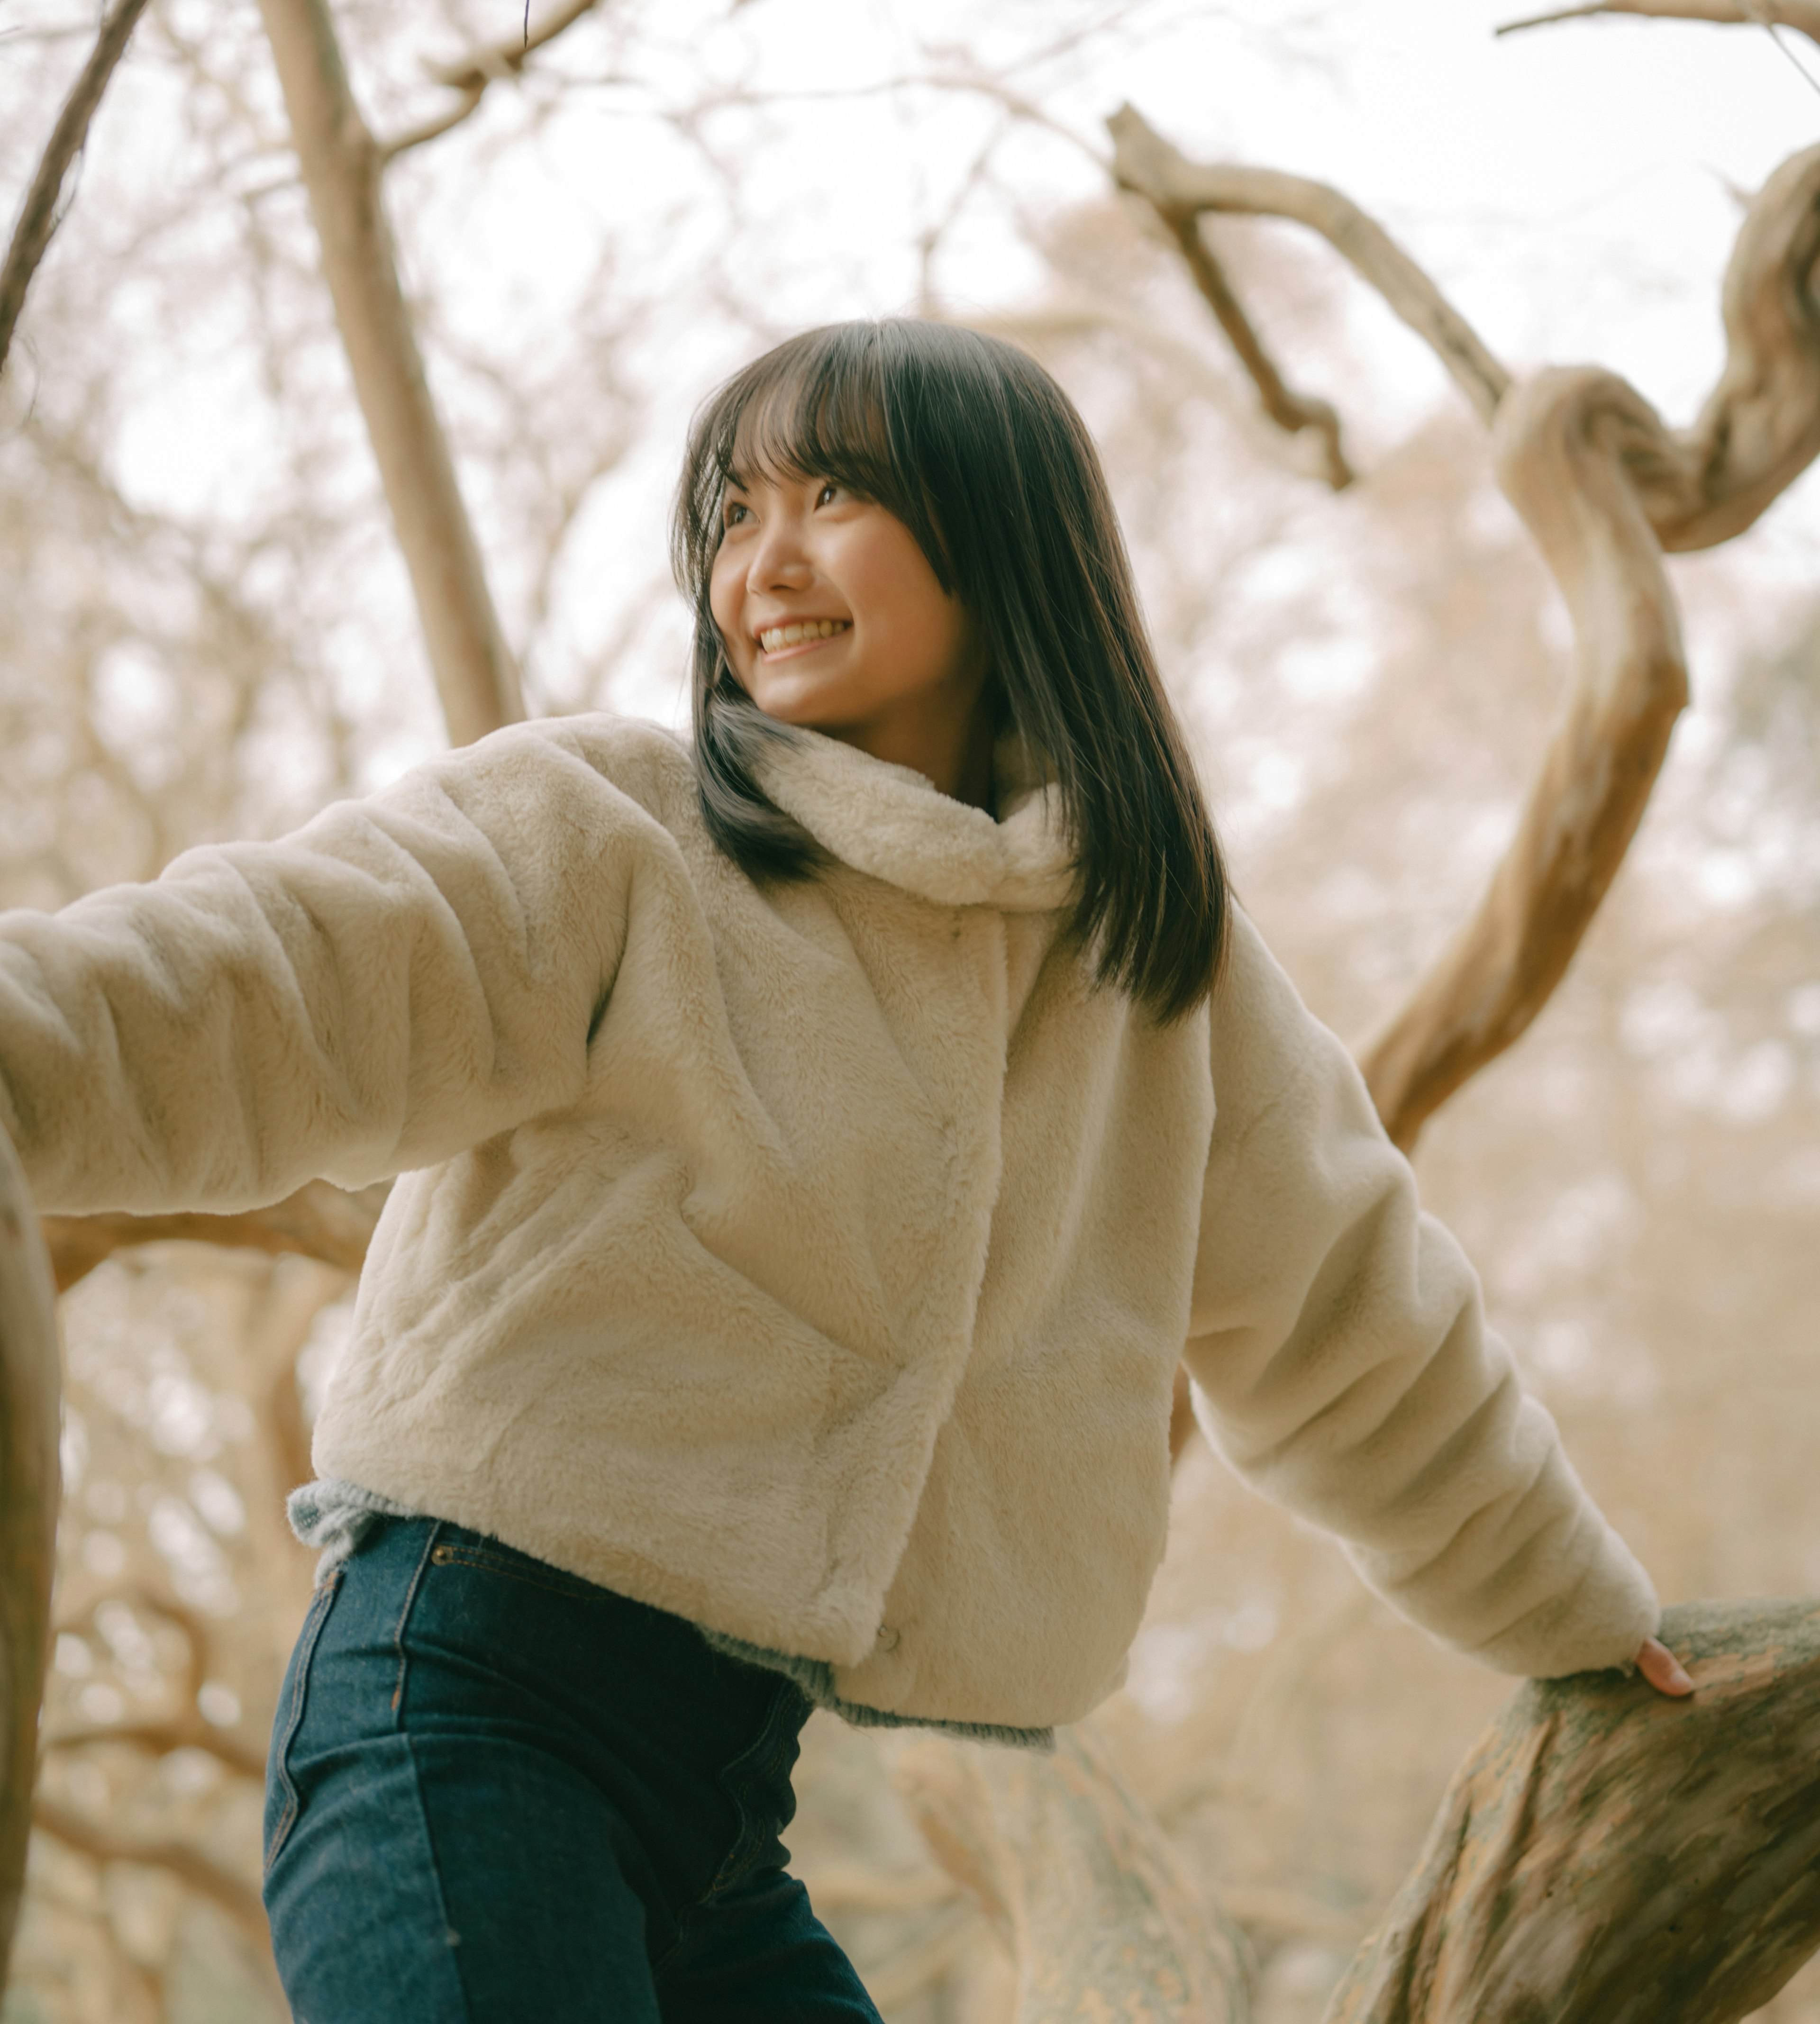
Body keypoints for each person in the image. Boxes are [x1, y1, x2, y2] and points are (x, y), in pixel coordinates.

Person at [0, 318, 1692, 2021]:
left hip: (725, 1814)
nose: (766, 562)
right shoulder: (616, 828)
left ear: (1004, 542)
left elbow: (1362, 1326)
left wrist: (1578, 1613)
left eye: (834, 495)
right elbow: (266, 977)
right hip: (454, 1716)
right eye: (733, 514)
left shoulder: (1157, 968)